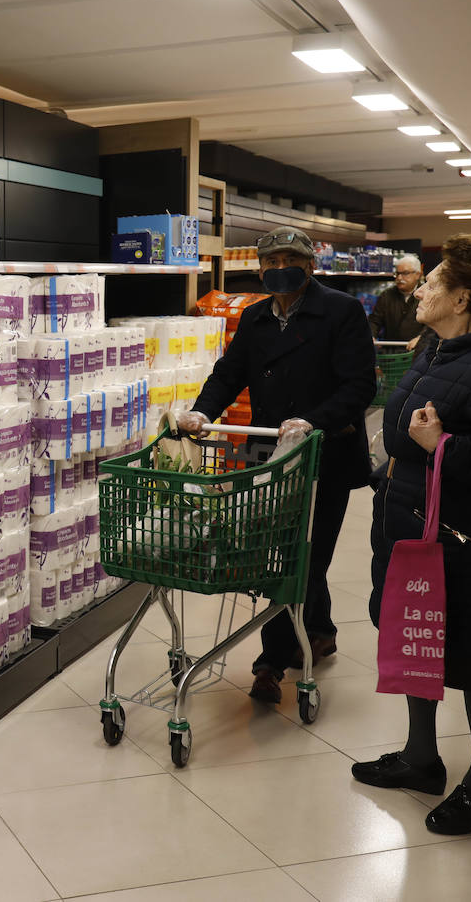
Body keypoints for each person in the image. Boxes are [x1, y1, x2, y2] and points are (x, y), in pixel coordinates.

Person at [350, 234, 471, 835]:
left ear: (462, 298)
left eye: (435, 281)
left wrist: (445, 447)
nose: (422, 288)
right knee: (420, 641)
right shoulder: (435, 348)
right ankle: (420, 758)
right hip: (414, 528)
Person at [178, 227, 376, 703]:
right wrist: (203, 410)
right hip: (268, 453)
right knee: (288, 551)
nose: (277, 268)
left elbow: (358, 387)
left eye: (288, 259)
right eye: (269, 262)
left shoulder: (341, 311)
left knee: (306, 554)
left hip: (324, 452)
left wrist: (312, 420)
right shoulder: (254, 317)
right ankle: (308, 638)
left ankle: (275, 659)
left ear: (310, 266)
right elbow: (230, 373)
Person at [369, 254, 430, 353]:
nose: (399, 277)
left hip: (416, 352)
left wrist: (422, 337)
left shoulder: (427, 295)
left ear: (418, 274)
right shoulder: (386, 295)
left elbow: (433, 323)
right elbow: (375, 320)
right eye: (397, 273)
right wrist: (371, 335)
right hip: (390, 353)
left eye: (405, 273)